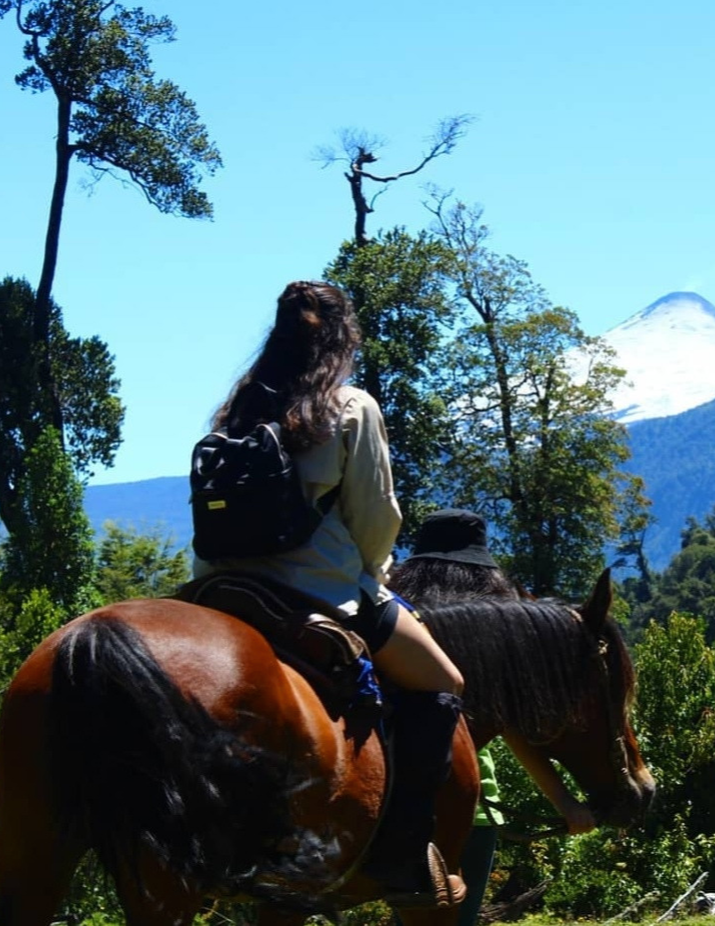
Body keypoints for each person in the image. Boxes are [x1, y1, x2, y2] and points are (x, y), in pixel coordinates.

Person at [192, 281, 466, 909]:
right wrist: (376, 574)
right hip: (318, 590)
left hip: (216, 590)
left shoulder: (236, 410)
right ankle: (401, 854)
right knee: (442, 682)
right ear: (342, 340)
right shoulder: (349, 406)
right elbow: (377, 517)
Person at [389, 508, 596, 926]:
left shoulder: (395, 624)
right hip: (470, 804)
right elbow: (513, 726)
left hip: (384, 795)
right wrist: (564, 801)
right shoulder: (490, 640)